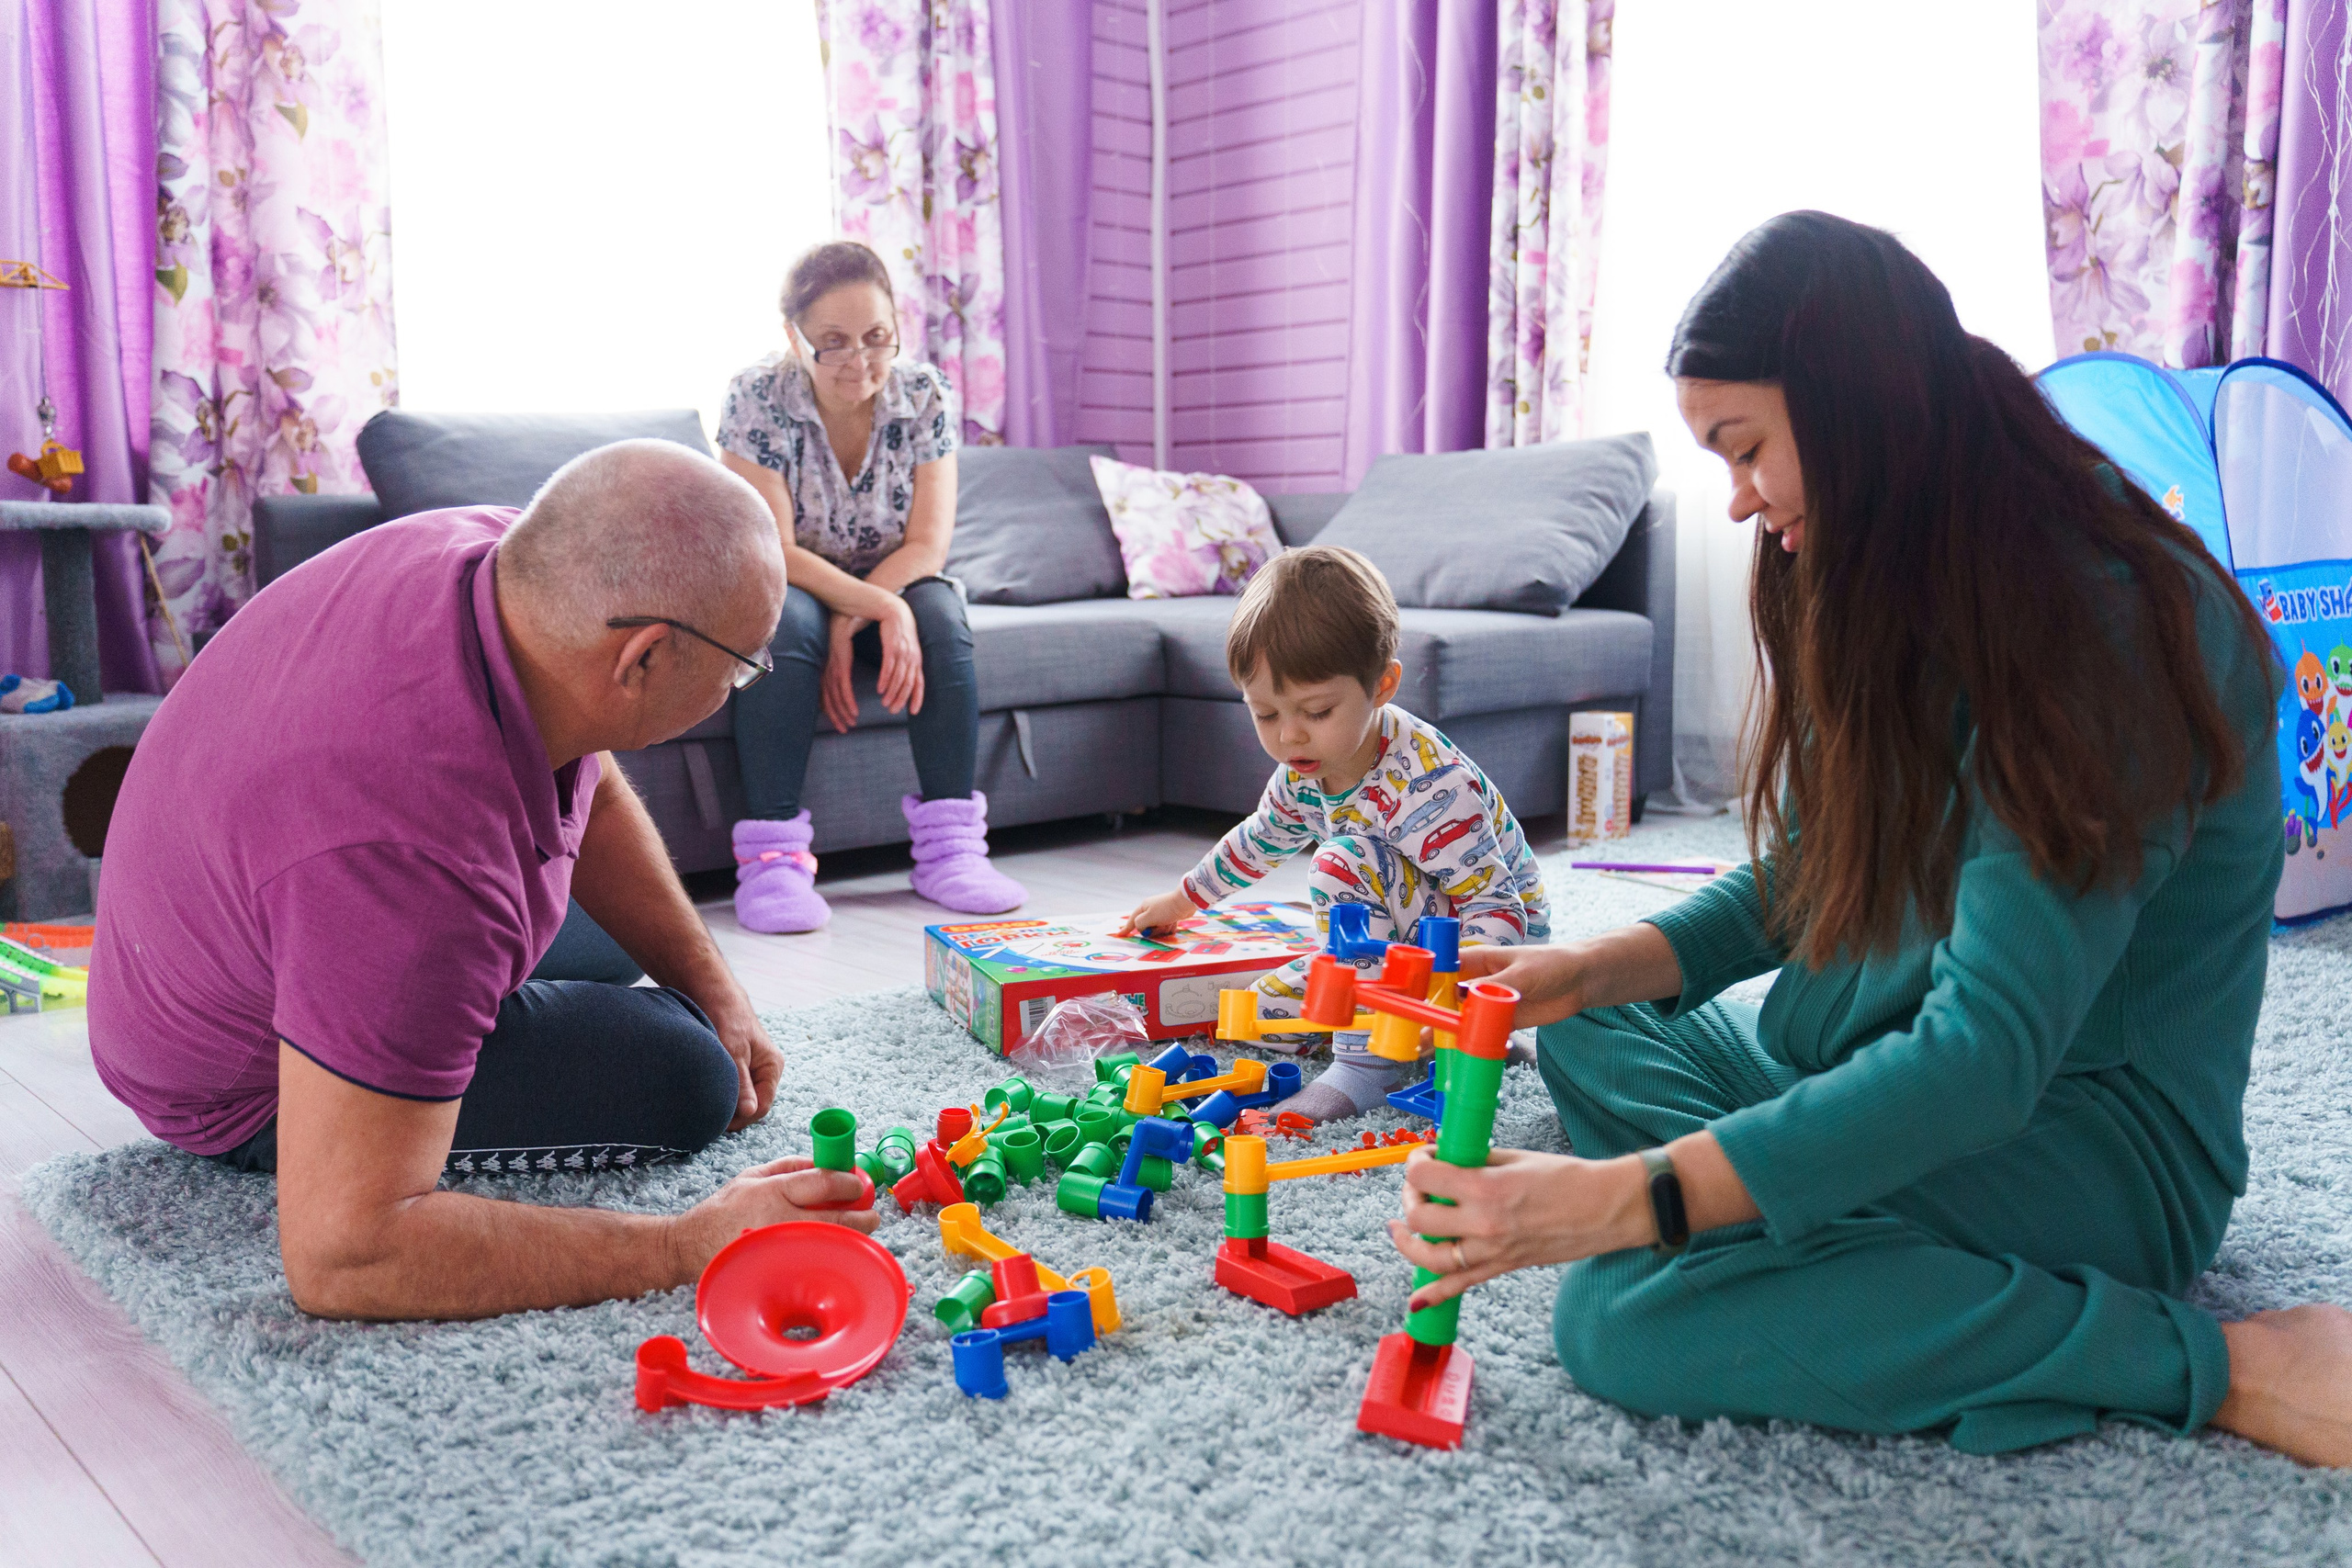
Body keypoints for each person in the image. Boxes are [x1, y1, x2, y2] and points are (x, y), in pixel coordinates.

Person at [1382, 212, 2352, 1467]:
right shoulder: (1929, 559)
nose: (1737, 498)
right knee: (1585, 1006)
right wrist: (1588, 970)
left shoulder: (2094, 627)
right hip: (1869, 1060)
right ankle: (1814, 1215)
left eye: (1746, 450)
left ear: (1854, 409)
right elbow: (1824, 870)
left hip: (2084, 1138)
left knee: (1624, 1305)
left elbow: (1987, 1056)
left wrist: (1639, 1193)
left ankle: (2217, 1363)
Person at [87, 441, 876, 1323]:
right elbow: (347, 1254)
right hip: (235, 1073)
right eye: (743, 664)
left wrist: (716, 986)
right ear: (643, 659)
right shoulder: (417, 864)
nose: (742, 684)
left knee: (647, 954)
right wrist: (688, 1244)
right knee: (689, 1077)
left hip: (235, 924)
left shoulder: (499, 561)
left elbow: (589, 781)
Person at [1120, 546, 1548, 1122]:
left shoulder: (1428, 784)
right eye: (1265, 714)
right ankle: (1460, 1044)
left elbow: (1498, 907)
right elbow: (1261, 837)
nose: (1289, 737)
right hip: (1391, 945)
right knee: (1255, 1014)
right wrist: (1182, 899)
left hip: (1482, 949)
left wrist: (1458, 1003)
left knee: (1338, 862)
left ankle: (1368, 1067)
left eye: (1316, 712)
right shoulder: (1306, 770)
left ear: (1383, 685)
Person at [715, 240, 1023, 933]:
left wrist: (857, 616)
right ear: (793, 337)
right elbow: (777, 550)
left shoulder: (923, 395)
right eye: (833, 342)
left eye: (877, 338)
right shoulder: (755, 397)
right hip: (791, 577)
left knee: (941, 620)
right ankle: (772, 862)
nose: (860, 362)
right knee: (785, 626)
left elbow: (926, 545)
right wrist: (873, 607)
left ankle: (951, 853)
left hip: (896, 571)